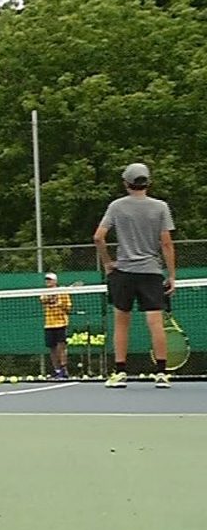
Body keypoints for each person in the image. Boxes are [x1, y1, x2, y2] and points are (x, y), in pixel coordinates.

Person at [94, 162, 176, 388]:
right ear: (148, 182)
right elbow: (166, 243)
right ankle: (161, 373)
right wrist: (171, 275)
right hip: (151, 273)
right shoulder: (161, 207)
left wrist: (108, 263)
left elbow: (98, 237)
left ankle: (120, 373)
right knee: (155, 323)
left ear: (126, 183)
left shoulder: (116, 206)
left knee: (121, 323)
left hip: (124, 274)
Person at [40, 272, 73, 380]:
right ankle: (56, 370)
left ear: (55, 281)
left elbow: (68, 308)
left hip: (61, 323)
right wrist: (53, 296)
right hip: (49, 324)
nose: (47, 281)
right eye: (46, 280)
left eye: (50, 280)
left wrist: (60, 304)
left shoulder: (63, 293)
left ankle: (64, 369)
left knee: (61, 347)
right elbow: (43, 300)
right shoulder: (44, 293)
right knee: (52, 348)